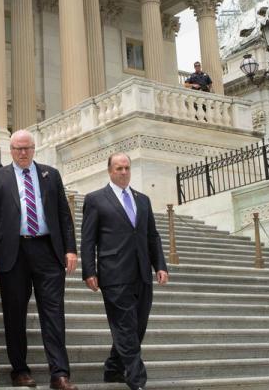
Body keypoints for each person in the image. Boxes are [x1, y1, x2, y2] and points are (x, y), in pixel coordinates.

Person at [0, 129, 78, 390]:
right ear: (10, 150)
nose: (23, 153)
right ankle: (20, 370)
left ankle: (60, 374)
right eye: (18, 149)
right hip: (13, 254)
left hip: (48, 251)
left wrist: (71, 248)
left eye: (27, 148)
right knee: (14, 314)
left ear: (34, 149)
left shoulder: (50, 174)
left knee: (54, 313)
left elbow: (63, 214)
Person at [82, 153, 168, 390]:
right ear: (109, 171)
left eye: (127, 168)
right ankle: (137, 380)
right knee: (126, 326)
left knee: (137, 326)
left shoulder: (143, 200)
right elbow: (88, 240)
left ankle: (113, 368)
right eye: (118, 168)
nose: (123, 172)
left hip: (141, 273)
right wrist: (89, 270)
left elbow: (152, 235)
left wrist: (159, 265)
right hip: (113, 274)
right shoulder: (95, 199)